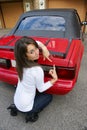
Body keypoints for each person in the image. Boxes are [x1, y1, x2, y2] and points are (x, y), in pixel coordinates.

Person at [7, 36, 58, 123]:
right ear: (25, 56)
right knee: (49, 96)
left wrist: (43, 47)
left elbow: (35, 43)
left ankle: (15, 107)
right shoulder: (37, 70)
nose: (37, 52)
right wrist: (54, 80)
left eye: (36, 49)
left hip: (17, 100)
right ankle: (31, 114)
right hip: (27, 106)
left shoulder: (19, 61)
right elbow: (41, 89)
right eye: (32, 52)